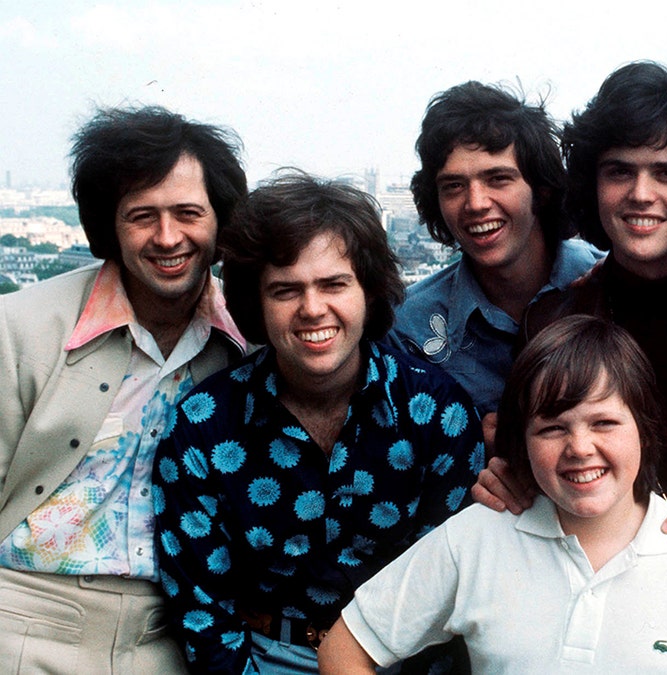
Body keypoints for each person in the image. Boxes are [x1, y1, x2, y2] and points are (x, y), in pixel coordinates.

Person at [317, 315, 667, 675]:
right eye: (551, 428)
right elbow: (346, 647)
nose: (580, 448)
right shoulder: (476, 537)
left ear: (644, 427)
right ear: (521, 441)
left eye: (604, 422)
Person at [152, 172, 484, 673]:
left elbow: (450, 581)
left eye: (333, 284)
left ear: (369, 292)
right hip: (263, 659)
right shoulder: (204, 426)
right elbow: (201, 606)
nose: (312, 309)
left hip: (401, 660)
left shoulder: (438, 412)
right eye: (285, 290)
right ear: (255, 304)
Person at [479, 61, 667, 547]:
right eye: (620, 172)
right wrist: (508, 478)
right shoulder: (551, 319)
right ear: (592, 184)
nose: (641, 195)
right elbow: (528, 470)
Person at [0, 106, 248, 673]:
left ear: (221, 219)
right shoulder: (21, 328)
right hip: (21, 620)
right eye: (142, 216)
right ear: (107, 224)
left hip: (170, 636)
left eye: (189, 213)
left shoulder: (247, 342)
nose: (168, 238)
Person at [390, 80, 603, 416]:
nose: (475, 203)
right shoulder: (409, 328)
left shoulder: (608, 284)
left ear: (542, 189)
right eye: (454, 186)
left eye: (498, 179)